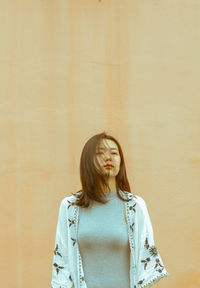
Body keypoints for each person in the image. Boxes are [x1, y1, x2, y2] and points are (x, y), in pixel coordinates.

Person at [51, 132, 168, 288]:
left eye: (114, 153)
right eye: (100, 153)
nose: (108, 157)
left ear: (120, 161)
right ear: (88, 161)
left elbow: (146, 265)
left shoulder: (134, 206)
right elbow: (62, 263)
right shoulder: (70, 207)